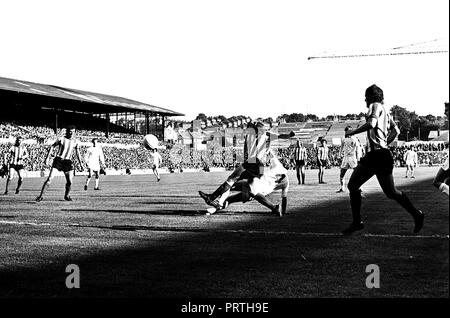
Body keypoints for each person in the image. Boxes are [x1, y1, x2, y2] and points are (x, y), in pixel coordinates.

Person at [342, 84, 424, 234]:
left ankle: (357, 222)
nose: (365, 100)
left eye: (366, 96)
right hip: (383, 154)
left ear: (372, 97)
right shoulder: (386, 111)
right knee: (391, 192)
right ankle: (416, 214)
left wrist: (353, 132)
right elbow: (396, 130)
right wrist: (385, 141)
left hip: (375, 156)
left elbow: (371, 123)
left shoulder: (374, 106)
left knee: (353, 186)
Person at [199, 120, 294, 209]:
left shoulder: (265, 135)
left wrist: (289, 135)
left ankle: (214, 199)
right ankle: (273, 207)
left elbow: (280, 136)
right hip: (257, 165)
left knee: (233, 180)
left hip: (255, 163)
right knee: (249, 188)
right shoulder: (253, 136)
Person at [206, 151, 289, 217]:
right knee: (231, 189)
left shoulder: (280, 177)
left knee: (231, 192)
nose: (278, 178)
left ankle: (214, 205)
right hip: (254, 185)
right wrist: (267, 150)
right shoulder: (279, 169)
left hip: (254, 189)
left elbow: (284, 198)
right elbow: (272, 156)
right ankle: (214, 203)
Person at [36, 126, 85, 202]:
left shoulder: (75, 142)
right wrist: (47, 158)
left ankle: (67, 196)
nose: (71, 133)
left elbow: (77, 153)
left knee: (69, 181)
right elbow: (52, 146)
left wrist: (81, 164)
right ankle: (40, 196)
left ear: (75, 132)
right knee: (50, 178)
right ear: (67, 131)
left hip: (68, 162)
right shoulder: (61, 139)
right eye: (70, 131)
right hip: (58, 160)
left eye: (73, 131)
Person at [337, 127, 359, 193]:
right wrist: (339, 155)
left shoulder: (354, 138)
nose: (347, 132)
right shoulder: (344, 139)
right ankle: (342, 188)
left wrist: (358, 157)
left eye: (349, 130)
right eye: (346, 131)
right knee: (342, 173)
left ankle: (360, 187)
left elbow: (358, 148)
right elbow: (341, 147)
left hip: (352, 157)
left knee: (357, 173)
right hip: (345, 157)